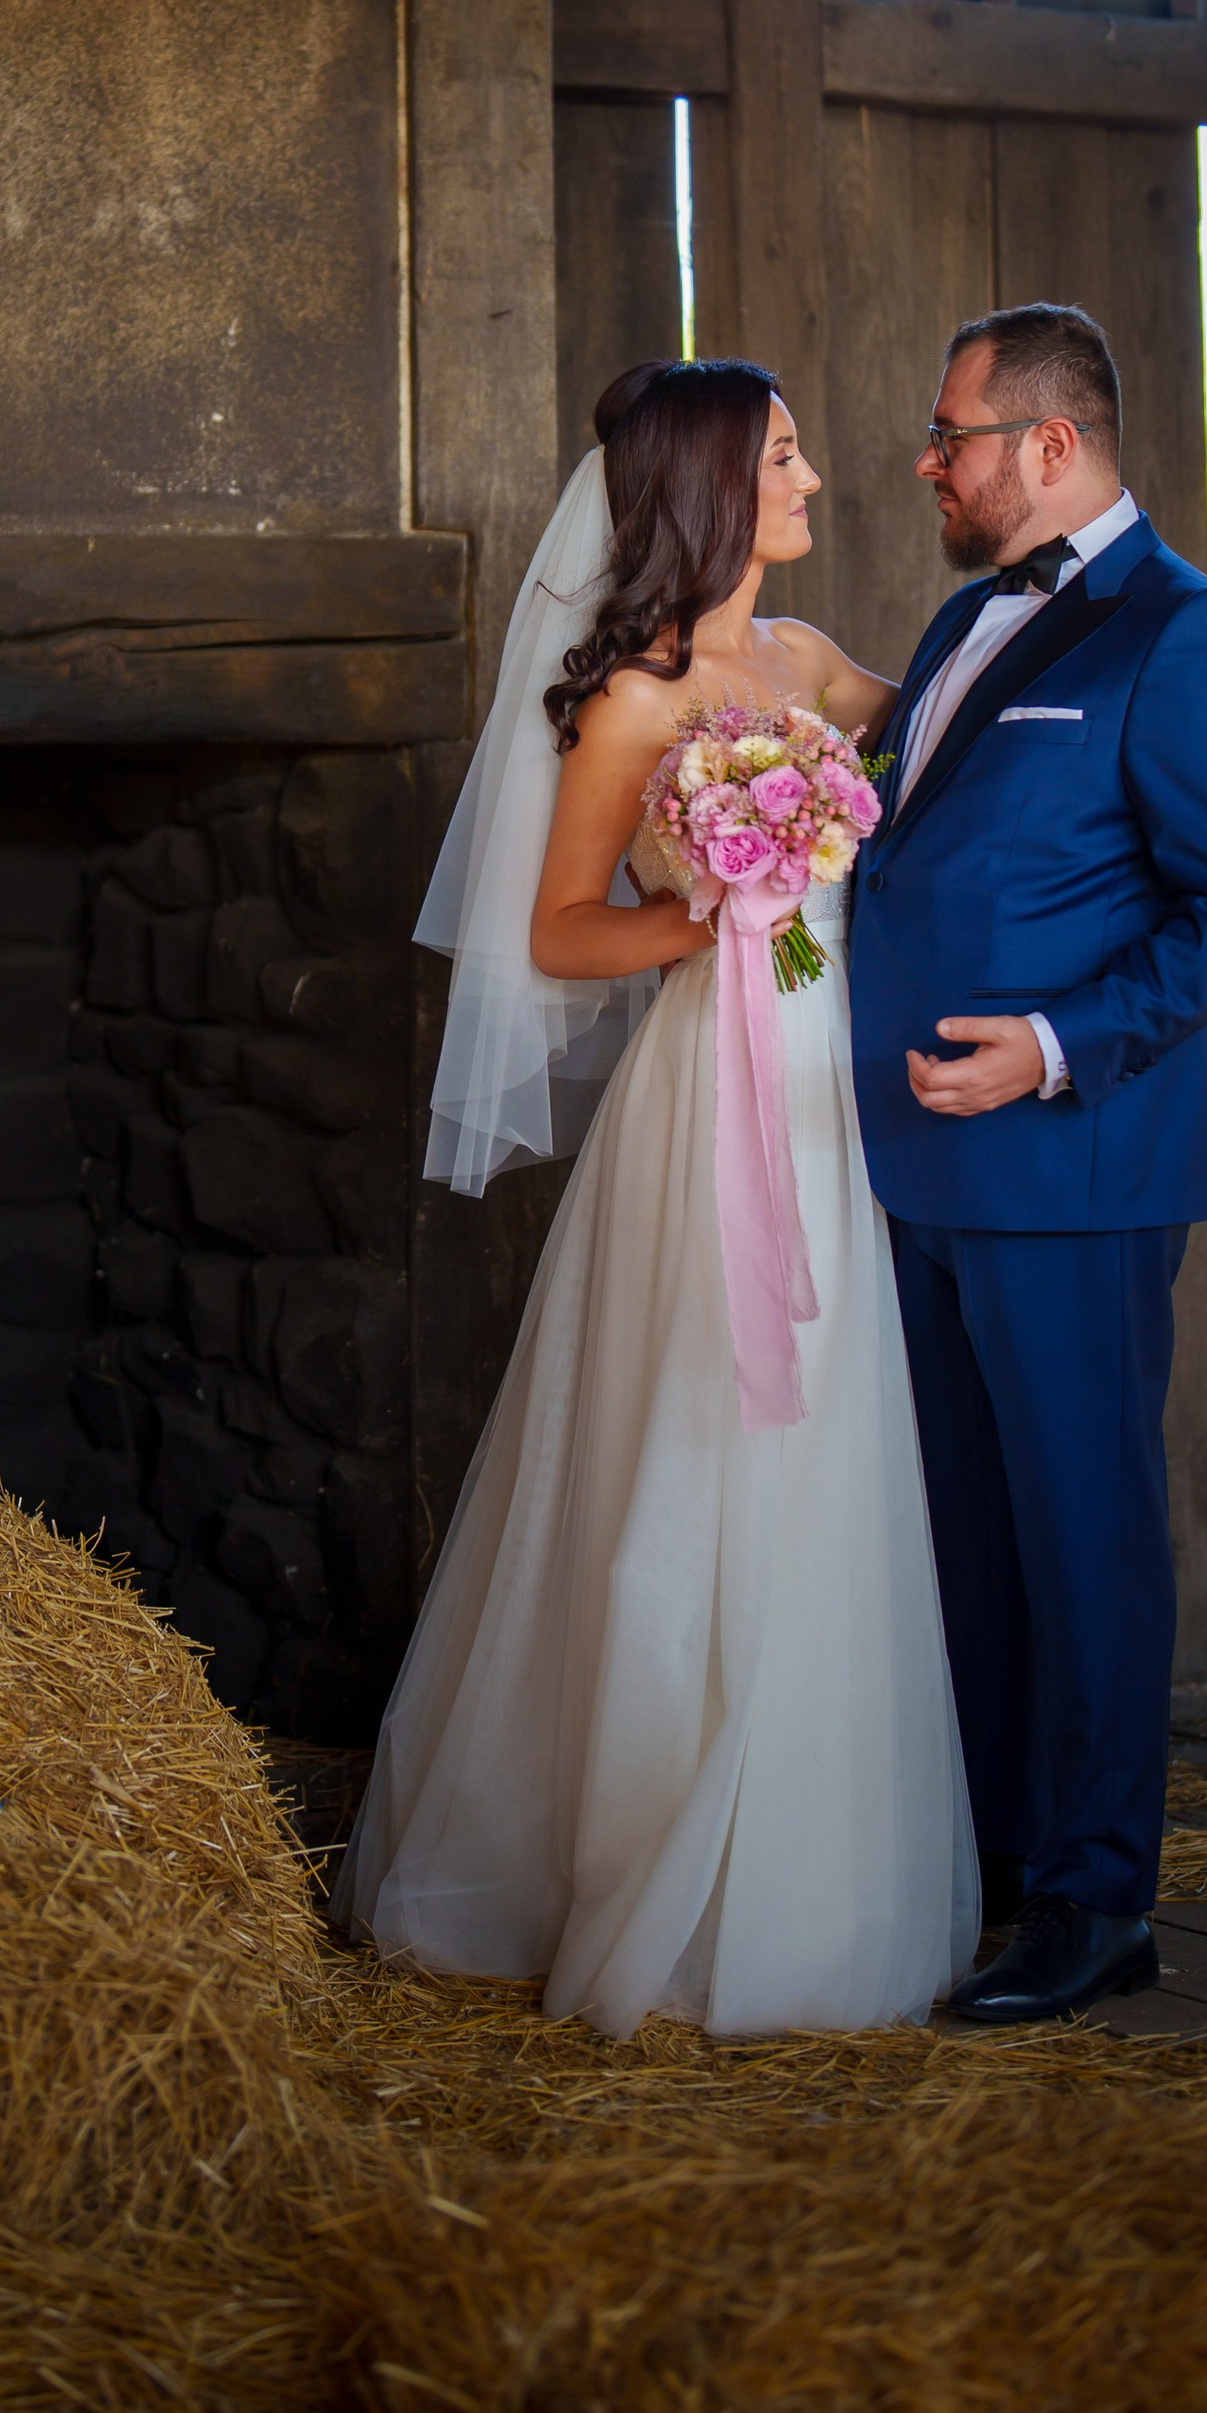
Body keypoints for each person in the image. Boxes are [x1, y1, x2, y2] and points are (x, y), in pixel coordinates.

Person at [336, 358, 978, 2038]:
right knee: (698, 1441)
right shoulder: (630, 699)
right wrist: (714, 918)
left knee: (830, 1429)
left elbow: (954, 749)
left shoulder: (818, 666)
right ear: (708, 483)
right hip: (709, 1092)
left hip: (834, 1098)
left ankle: (821, 1868)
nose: (816, 480)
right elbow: (555, 931)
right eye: (782, 455)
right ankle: (651, 1873)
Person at [849, 303, 1207, 2027]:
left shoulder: (1182, 633)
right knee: (964, 1537)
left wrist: (1049, 1050)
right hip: (914, 1171)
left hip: (1075, 1167)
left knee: (1085, 1535)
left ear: (1050, 445)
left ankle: (1101, 1908)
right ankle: (1007, 1865)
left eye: (953, 434)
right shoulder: (967, 614)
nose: (929, 462)